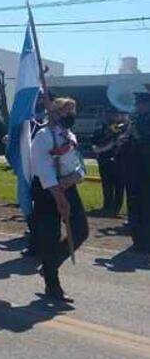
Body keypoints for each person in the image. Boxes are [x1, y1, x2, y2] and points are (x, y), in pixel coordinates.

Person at [31, 97, 89, 302]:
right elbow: (42, 168)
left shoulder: (69, 135)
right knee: (50, 236)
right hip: (47, 191)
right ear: (54, 113)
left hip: (68, 186)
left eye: (72, 111)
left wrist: (77, 175)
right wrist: (57, 195)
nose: (70, 116)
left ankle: (50, 265)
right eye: (66, 111)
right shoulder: (43, 137)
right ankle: (53, 285)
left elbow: (78, 162)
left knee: (81, 229)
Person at [120, 92, 150, 254]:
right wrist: (123, 140)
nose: (138, 106)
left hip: (146, 171)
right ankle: (137, 239)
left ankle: (145, 241)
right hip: (133, 169)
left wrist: (136, 134)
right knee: (134, 205)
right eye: (138, 104)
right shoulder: (136, 120)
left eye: (142, 104)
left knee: (145, 206)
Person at [92, 110, 127, 217]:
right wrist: (108, 133)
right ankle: (107, 207)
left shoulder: (124, 128)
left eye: (115, 115)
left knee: (119, 186)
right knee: (106, 185)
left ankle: (116, 209)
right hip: (104, 159)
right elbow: (95, 141)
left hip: (119, 160)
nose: (112, 117)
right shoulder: (101, 128)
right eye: (110, 114)